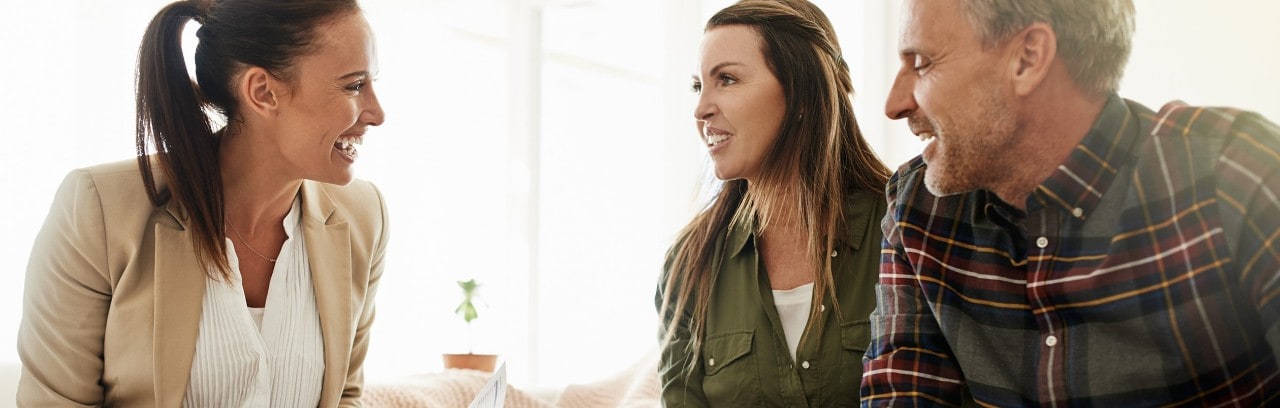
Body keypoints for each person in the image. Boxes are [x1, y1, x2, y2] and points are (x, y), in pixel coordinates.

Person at [861, 0, 1280, 405]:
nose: (894, 105)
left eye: (922, 64)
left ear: (1027, 58)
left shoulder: (1233, 172)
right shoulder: (916, 209)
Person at [18, 0, 387, 406]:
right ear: (262, 92)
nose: (376, 112)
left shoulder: (364, 217)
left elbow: (346, 394)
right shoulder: (99, 210)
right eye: (354, 85)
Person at [655, 0, 891, 406]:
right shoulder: (689, 262)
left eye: (727, 79)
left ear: (802, 93)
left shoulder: (901, 232)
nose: (700, 109)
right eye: (699, 85)